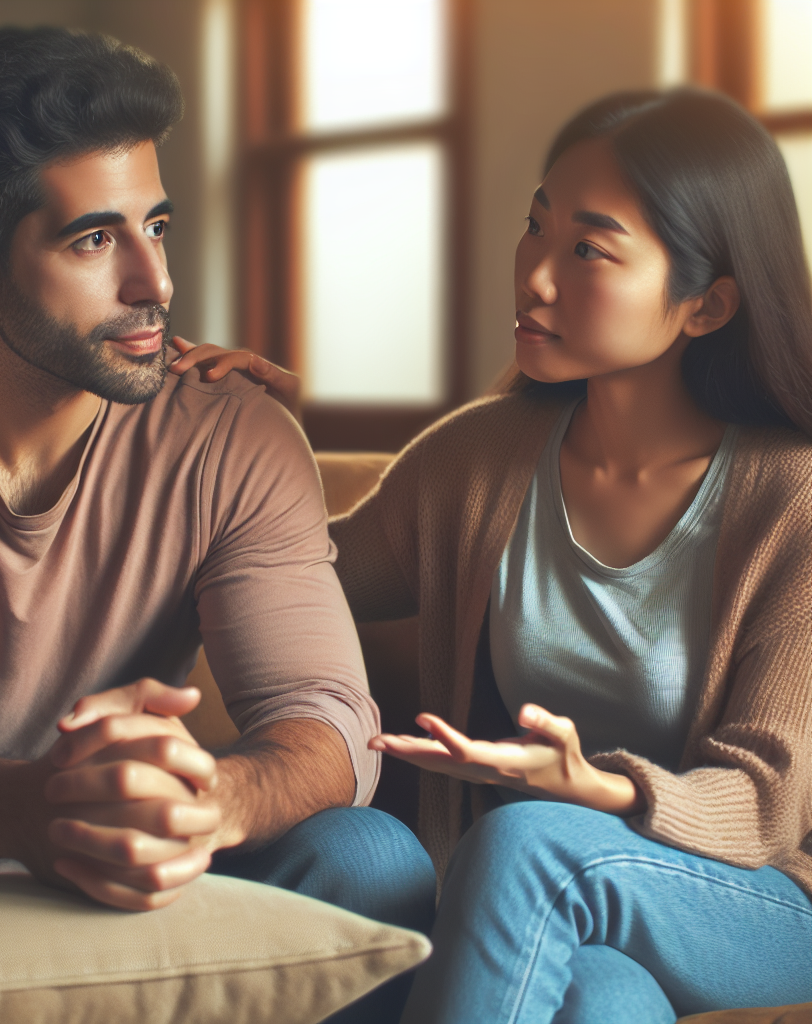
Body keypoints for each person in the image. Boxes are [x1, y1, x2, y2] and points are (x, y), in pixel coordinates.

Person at [0, 27, 436, 1024]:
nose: (155, 283)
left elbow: (329, 717)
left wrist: (214, 799)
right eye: (96, 239)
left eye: (158, 227)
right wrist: (18, 806)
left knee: (374, 856)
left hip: (149, 875)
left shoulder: (234, 434)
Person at [169, 88, 812, 1022]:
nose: (536, 276)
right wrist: (264, 441)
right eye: (535, 228)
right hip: (547, 895)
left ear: (706, 305)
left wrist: (592, 787)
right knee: (596, 993)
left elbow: (764, 799)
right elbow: (305, 574)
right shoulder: (482, 459)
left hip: (752, 900)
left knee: (526, 842)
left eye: (588, 249)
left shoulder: (793, 498)